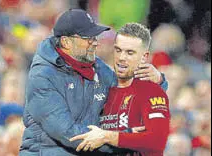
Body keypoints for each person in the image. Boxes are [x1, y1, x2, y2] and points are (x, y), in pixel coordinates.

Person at [19, 9, 168, 156]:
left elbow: (128, 92)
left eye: (95, 37)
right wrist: (121, 138)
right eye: (87, 38)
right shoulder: (43, 76)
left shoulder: (97, 66)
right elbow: (69, 134)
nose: (95, 43)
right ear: (66, 42)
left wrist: (157, 82)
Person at [70, 23, 170, 156]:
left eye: (130, 52)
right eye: (118, 50)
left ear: (144, 57)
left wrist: (107, 136)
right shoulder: (101, 91)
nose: (121, 58)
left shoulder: (152, 91)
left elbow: (157, 141)